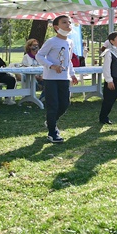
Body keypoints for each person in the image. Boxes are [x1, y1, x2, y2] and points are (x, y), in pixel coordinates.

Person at [36, 15, 79, 144]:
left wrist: (72, 74)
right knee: (53, 105)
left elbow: (68, 60)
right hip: (50, 78)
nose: (68, 25)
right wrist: (51, 66)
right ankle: (52, 132)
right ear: (56, 27)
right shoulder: (51, 41)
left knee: (65, 103)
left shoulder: (70, 42)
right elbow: (39, 56)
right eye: (64, 22)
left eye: (69, 22)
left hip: (64, 78)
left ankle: (51, 121)